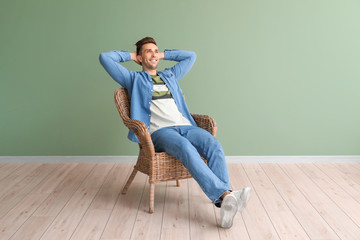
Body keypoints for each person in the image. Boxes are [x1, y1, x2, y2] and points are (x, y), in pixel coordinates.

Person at [99, 37, 251, 228]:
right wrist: (132, 56)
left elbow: (191, 56)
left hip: (186, 126)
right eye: (148, 51)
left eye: (156, 50)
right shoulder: (133, 79)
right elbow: (105, 58)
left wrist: (161, 55)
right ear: (139, 57)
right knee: (185, 148)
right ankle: (226, 195)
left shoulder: (170, 75)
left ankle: (224, 201)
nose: (153, 54)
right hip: (160, 132)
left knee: (214, 145)